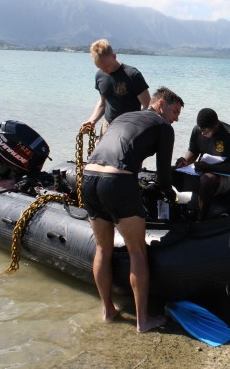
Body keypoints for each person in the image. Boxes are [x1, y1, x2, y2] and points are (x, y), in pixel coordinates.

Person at [81, 87, 184, 333]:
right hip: (117, 182)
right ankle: (143, 321)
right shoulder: (163, 127)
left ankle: (107, 311)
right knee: (137, 251)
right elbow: (162, 176)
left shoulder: (122, 117)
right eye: (174, 111)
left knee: (102, 248)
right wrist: (172, 196)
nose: (176, 118)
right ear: (160, 104)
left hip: (89, 177)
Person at [175, 108, 230, 220]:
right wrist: (185, 161)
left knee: (206, 179)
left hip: (221, 175)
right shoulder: (197, 130)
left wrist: (209, 167)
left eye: (205, 131)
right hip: (200, 169)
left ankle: (201, 218)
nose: (202, 133)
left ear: (215, 126)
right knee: (171, 171)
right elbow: (193, 151)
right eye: (200, 130)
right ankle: (174, 211)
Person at [81, 39, 151, 135]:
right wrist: (92, 120)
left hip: (129, 129)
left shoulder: (132, 75)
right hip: (108, 126)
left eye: (106, 67)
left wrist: (136, 126)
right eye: (100, 68)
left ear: (114, 56)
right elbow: (103, 102)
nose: (104, 71)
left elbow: (147, 105)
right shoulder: (99, 76)